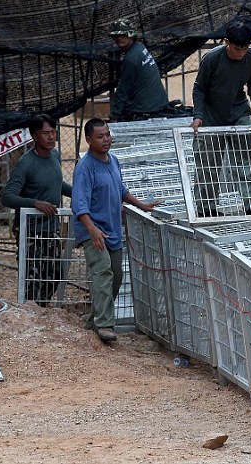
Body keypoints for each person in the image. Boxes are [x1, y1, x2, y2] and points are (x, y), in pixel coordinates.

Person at [72, 118, 160, 341]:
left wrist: (141, 205)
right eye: (100, 137)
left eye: (108, 135)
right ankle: (104, 325)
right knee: (103, 271)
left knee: (117, 276)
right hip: (93, 231)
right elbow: (79, 204)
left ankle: (93, 321)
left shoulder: (113, 161)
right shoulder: (85, 168)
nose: (106, 140)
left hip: (112, 230)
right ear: (89, 139)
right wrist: (91, 230)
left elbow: (120, 189)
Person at [190, 20, 251, 217]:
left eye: (245, 48)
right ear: (227, 42)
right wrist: (198, 115)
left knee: (245, 159)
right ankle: (206, 208)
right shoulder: (212, 59)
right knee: (208, 164)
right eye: (237, 48)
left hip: (238, 113)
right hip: (211, 116)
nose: (241, 53)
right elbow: (199, 88)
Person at [0, 114, 73, 305]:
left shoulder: (55, 156)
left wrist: (79, 193)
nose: (51, 137)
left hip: (51, 228)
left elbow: (57, 184)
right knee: (32, 277)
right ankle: (32, 312)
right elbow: (7, 196)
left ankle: (42, 307)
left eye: (53, 133)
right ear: (34, 136)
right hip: (31, 231)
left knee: (55, 274)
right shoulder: (26, 163)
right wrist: (35, 203)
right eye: (45, 133)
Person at [108, 18, 172, 121]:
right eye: (116, 36)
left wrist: (114, 117)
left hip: (145, 109)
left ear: (131, 35)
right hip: (158, 104)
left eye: (123, 35)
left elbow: (123, 89)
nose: (119, 38)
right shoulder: (140, 47)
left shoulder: (131, 58)